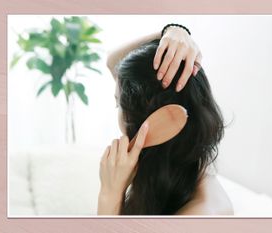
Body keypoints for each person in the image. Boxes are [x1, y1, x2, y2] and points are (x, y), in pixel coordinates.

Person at [97, 25, 233, 215]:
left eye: (118, 104)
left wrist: (109, 195)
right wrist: (172, 33)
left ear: (153, 122)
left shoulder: (202, 215)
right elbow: (113, 62)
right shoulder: (183, 157)